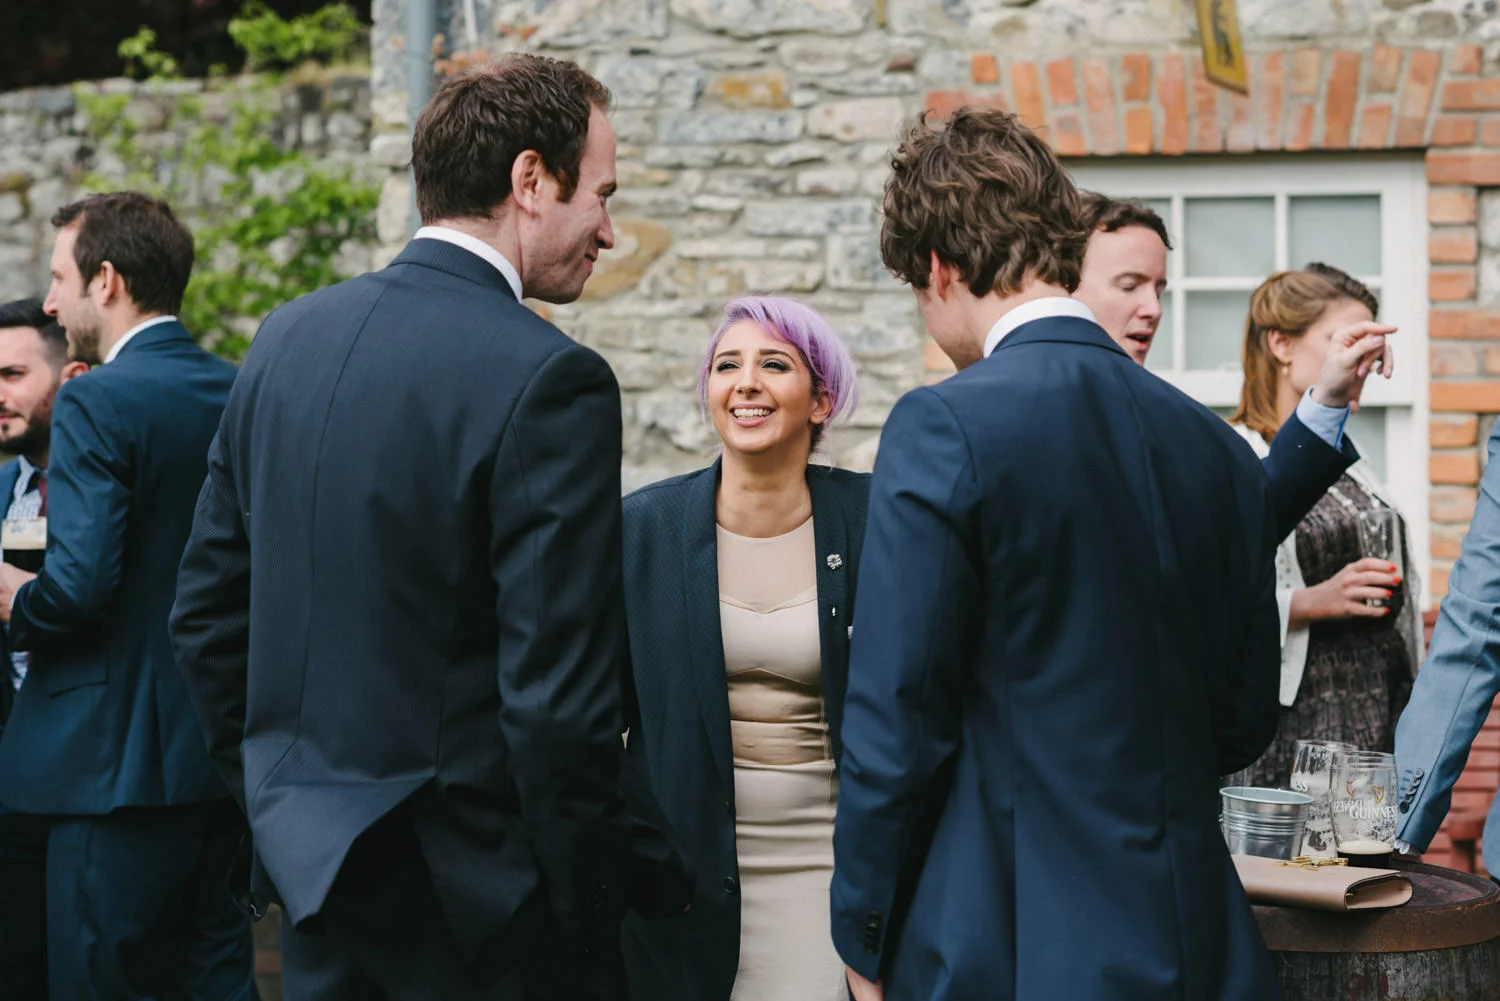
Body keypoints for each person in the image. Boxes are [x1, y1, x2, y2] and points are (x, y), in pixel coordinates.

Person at [170, 55, 688, 999]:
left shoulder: (286, 339)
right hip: (489, 915)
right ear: (531, 181)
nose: (610, 230)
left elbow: (205, 620)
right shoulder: (549, 379)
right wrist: (584, 912)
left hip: (321, 886)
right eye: (602, 195)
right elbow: (558, 703)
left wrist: (281, 814)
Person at [830, 106, 1283, 1001]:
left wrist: (863, 928)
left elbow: (897, 721)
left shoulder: (946, 422)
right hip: (1202, 937)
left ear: (937, 267)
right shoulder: (1218, 448)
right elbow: (1243, 719)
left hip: (1010, 940)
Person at [0, 194, 252, 1000]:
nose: (49, 301)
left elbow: (78, 589)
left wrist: (12, 599)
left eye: (58, 278)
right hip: (221, 759)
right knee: (217, 980)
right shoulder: (241, 389)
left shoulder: (95, 399)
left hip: (105, 772)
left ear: (106, 281)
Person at [619, 295, 866, 1001]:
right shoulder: (643, 531)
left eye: (774, 364)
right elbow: (588, 722)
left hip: (835, 881)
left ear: (820, 400)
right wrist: (647, 864)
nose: (746, 381)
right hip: (686, 895)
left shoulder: (877, 521)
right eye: (727, 365)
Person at [1072, 192, 1388, 542]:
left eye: (1160, 290)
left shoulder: (1172, 426)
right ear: (1066, 286)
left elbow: (1241, 529)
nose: (1154, 309)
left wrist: (1328, 402)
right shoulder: (1041, 409)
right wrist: (1298, 601)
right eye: (1129, 285)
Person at [1225, 267, 1418, 789]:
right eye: (1347, 342)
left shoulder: (1351, 462)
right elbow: (1206, 592)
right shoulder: (1237, 455)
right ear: (1282, 344)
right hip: (1297, 721)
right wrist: (1312, 602)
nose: (1365, 362)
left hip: (1376, 706)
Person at [0, 297, 87, 1001]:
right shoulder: (3, 486)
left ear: (69, 376)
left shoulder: (97, 485)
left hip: (94, 776)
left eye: (11, 374)